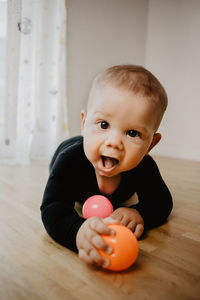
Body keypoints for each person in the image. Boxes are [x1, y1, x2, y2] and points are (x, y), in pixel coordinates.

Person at [40, 64, 173, 269]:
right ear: (84, 123)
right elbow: (53, 207)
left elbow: (161, 201)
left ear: (151, 145)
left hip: (91, 145)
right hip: (69, 150)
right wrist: (77, 231)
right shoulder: (70, 161)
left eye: (132, 133)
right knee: (64, 171)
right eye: (103, 124)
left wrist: (140, 213)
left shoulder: (144, 166)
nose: (113, 142)